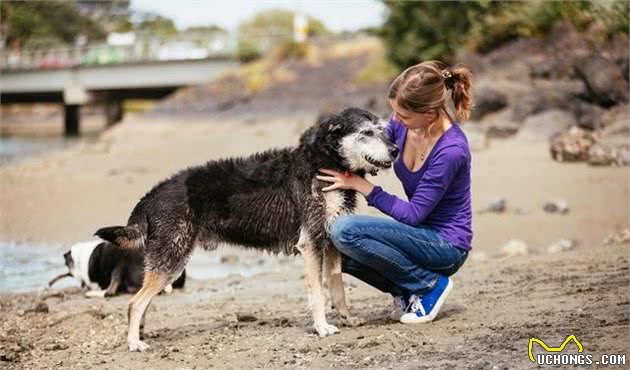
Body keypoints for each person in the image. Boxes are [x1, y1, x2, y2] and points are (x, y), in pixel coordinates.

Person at [316, 60, 473, 324]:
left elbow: (413, 215)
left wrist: (362, 186)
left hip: (446, 246)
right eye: (395, 113)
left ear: (430, 113)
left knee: (345, 230)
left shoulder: (451, 150)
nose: (395, 121)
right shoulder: (402, 126)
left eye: (404, 116)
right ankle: (405, 290)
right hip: (416, 237)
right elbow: (368, 149)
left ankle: (427, 285)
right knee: (329, 244)